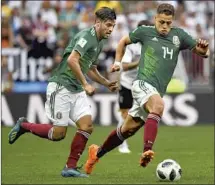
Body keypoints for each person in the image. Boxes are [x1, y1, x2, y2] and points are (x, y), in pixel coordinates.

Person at [84, 3, 210, 175]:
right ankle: (147, 150)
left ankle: (96, 154)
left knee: (127, 130)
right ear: (155, 19)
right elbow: (123, 42)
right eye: (161, 22)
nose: (165, 26)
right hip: (142, 83)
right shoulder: (145, 32)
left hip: (155, 90)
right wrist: (118, 63)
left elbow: (202, 52)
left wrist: (204, 51)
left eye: (168, 22)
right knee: (158, 106)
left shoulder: (179, 36)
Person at [8, 7, 118, 178]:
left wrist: (106, 82)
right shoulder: (86, 37)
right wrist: (85, 85)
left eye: (113, 26)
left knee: (87, 126)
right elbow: (72, 60)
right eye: (108, 25)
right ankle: (24, 126)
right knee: (59, 134)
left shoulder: (100, 41)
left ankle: (70, 167)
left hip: (75, 88)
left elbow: (91, 67)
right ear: (98, 22)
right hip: (62, 86)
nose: (111, 29)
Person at [117, 20, 152, 154]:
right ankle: (122, 144)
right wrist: (139, 62)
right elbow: (124, 66)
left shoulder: (152, 46)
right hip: (127, 84)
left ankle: (148, 146)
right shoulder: (132, 46)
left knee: (147, 115)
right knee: (125, 116)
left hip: (142, 84)